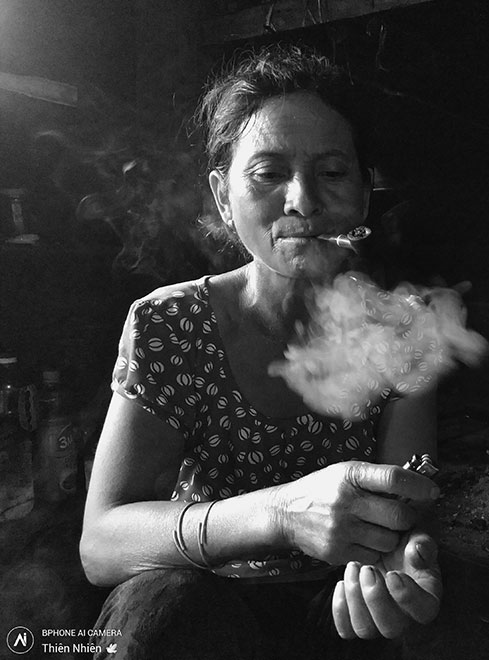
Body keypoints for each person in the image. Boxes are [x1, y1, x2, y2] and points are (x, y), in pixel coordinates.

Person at [79, 43, 442, 660]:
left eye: (333, 173)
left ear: (363, 196)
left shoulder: (403, 328)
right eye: (268, 174)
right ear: (223, 197)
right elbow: (101, 545)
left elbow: (410, 500)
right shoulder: (172, 324)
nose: (302, 201)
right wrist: (282, 514)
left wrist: (402, 564)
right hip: (204, 601)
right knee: (159, 609)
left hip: (333, 606)